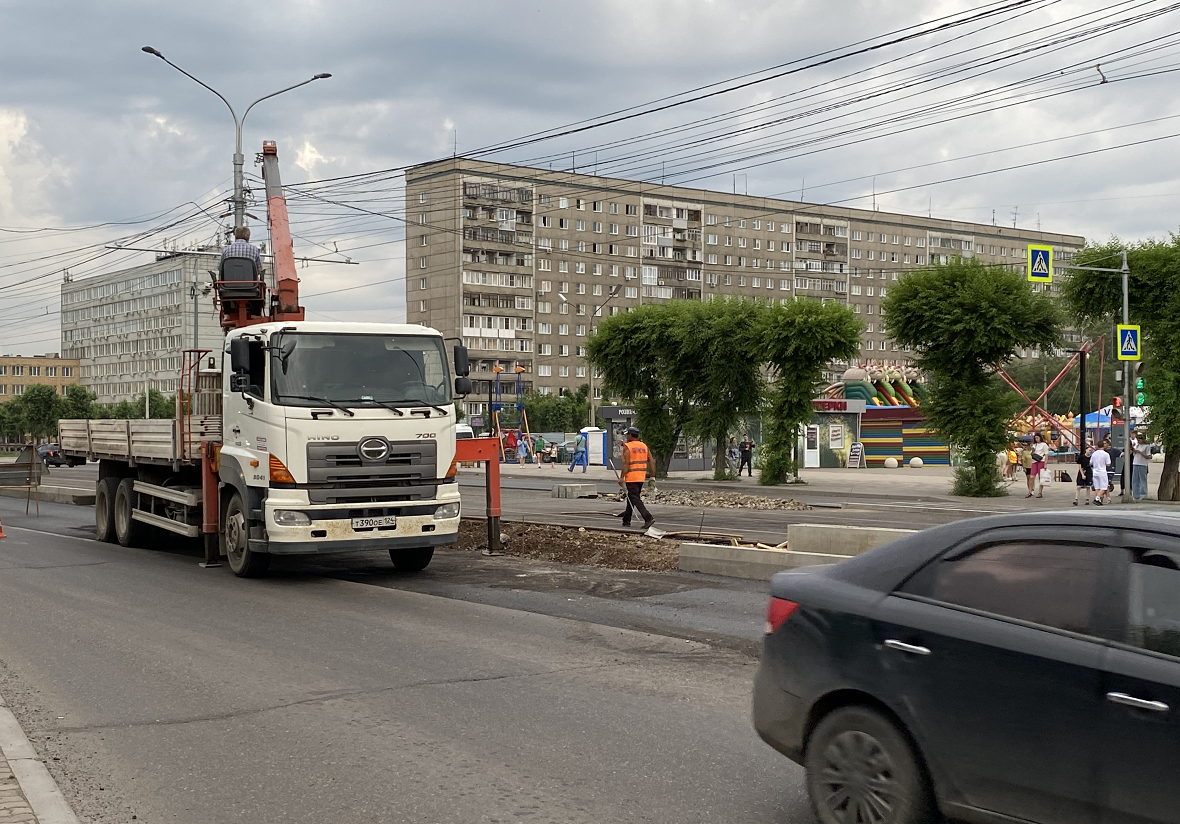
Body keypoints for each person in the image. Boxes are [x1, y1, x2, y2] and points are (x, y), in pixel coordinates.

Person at [619, 426, 655, 529]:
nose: (626, 436)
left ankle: (648, 517)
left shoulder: (628, 446)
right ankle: (626, 520)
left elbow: (626, 463)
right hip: (641, 477)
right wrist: (652, 475)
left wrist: (622, 477)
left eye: (627, 434)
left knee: (635, 498)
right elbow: (651, 461)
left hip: (631, 477)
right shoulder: (644, 446)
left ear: (630, 435)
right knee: (632, 497)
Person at [1131, 431, 1152, 500]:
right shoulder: (1137, 446)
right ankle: (1135, 494)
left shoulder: (1146, 446)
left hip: (1143, 464)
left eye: (1139, 440)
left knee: (1142, 479)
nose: (1138, 441)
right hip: (1135, 463)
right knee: (1135, 479)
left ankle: (1143, 494)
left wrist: (1140, 452)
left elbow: (1148, 456)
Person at [1028, 433, 1049, 498]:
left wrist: (1045, 463)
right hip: (1034, 461)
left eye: (1037, 438)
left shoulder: (1044, 445)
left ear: (1040, 438)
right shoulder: (1034, 445)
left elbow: (1046, 454)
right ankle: (1030, 491)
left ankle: (1040, 492)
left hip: (1041, 461)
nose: (1036, 439)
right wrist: (1031, 450)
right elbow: (1031, 453)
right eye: (1035, 438)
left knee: (1041, 477)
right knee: (1031, 477)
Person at [1090, 440, 1111, 505]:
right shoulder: (1106, 454)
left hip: (1095, 471)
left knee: (1097, 487)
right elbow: (1108, 464)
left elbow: (1091, 462)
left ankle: (1098, 500)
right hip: (1102, 472)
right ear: (1103, 446)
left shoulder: (1094, 454)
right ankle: (1097, 498)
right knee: (1104, 487)